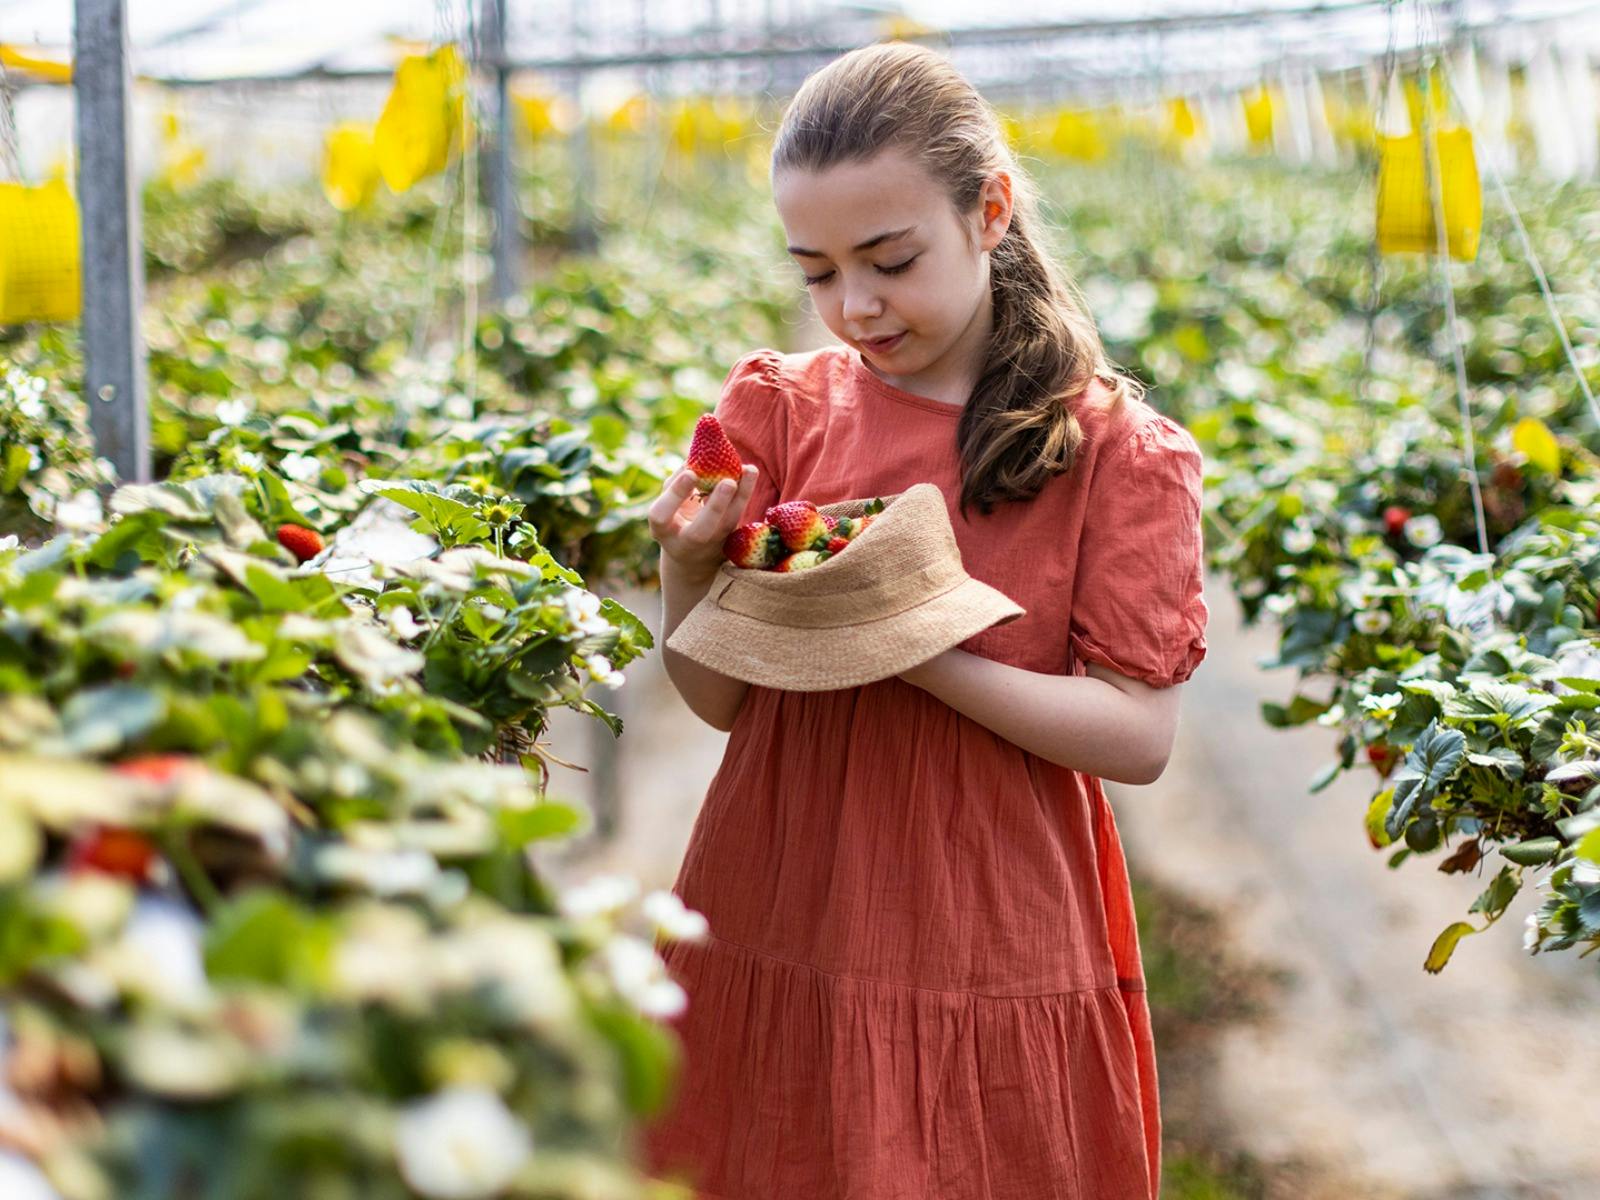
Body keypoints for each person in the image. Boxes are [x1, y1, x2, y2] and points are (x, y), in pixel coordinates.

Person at [644, 40, 1208, 1200]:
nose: (855, 305)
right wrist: (686, 579)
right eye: (816, 270)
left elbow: (1138, 738)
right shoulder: (778, 411)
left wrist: (913, 640)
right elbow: (719, 702)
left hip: (985, 919)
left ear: (989, 211)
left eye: (890, 260)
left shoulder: (1112, 453)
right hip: (778, 882)